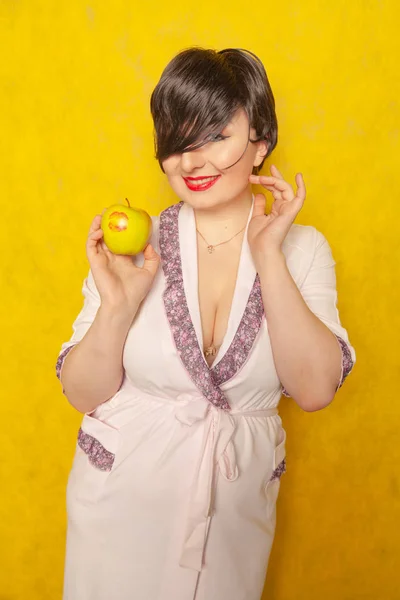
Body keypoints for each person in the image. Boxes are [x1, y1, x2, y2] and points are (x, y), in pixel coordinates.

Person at [55, 47, 356, 600]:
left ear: (260, 141)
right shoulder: (137, 248)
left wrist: (269, 256)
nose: (192, 163)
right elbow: (81, 390)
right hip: (120, 506)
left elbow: (314, 389)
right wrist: (119, 307)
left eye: (215, 136)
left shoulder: (304, 250)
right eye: (177, 143)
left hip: (229, 518)